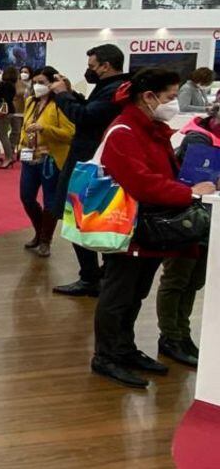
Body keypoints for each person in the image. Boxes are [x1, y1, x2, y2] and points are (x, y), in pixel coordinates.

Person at [91, 69, 216, 388]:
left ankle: (124, 349)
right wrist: (187, 193)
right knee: (118, 294)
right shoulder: (124, 132)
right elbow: (141, 183)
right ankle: (106, 355)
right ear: (149, 97)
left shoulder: (149, 129)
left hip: (150, 228)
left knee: (135, 292)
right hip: (129, 227)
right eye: (171, 97)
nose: (174, 104)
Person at [49, 44, 131, 297]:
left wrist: (63, 96)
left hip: (91, 163)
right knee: (83, 217)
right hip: (93, 160)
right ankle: (97, 275)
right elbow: (90, 112)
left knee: (79, 217)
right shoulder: (110, 89)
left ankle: (91, 277)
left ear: (106, 66)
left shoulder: (114, 91)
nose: (89, 70)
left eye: (91, 66)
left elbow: (84, 118)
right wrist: (72, 94)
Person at [156, 101, 220, 367]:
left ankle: (181, 333)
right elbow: (188, 180)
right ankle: (170, 336)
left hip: (208, 221)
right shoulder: (198, 139)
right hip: (187, 220)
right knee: (178, 278)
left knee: (193, 281)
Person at [18, 67, 75, 258]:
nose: (37, 86)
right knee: (26, 197)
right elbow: (24, 127)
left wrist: (45, 128)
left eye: (41, 82)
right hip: (29, 157)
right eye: (35, 82)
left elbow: (69, 134)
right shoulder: (30, 102)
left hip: (50, 159)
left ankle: (45, 240)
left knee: (50, 200)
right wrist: (20, 145)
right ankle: (39, 230)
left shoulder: (60, 105)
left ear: (52, 84)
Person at [0, 69, 18, 169]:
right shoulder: (8, 85)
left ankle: (8, 157)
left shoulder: (7, 85)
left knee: (3, 135)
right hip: (1, 111)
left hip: (4, 112)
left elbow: (5, 99)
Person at [10, 67, 32, 154]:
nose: (23, 74)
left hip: (27, 111)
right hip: (16, 111)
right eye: (22, 72)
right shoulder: (16, 83)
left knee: (25, 132)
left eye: (26, 72)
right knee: (16, 132)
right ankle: (11, 150)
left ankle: (21, 150)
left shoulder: (32, 84)